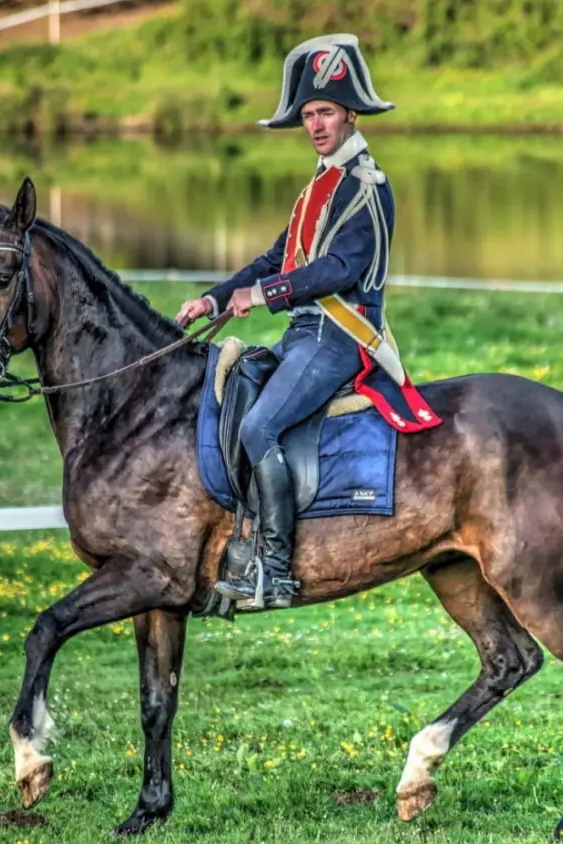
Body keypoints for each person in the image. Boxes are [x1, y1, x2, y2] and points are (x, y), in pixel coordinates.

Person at [175, 34, 441, 610]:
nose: (315, 124)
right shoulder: (317, 186)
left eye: (324, 112)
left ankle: (273, 570)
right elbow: (278, 259)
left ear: (349, 113)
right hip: (303, 335)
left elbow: (340, 268)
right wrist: (216, 299)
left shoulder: (366, 186)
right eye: (308, 115)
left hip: (340, 339)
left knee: (257, 429)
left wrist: (265, 294)